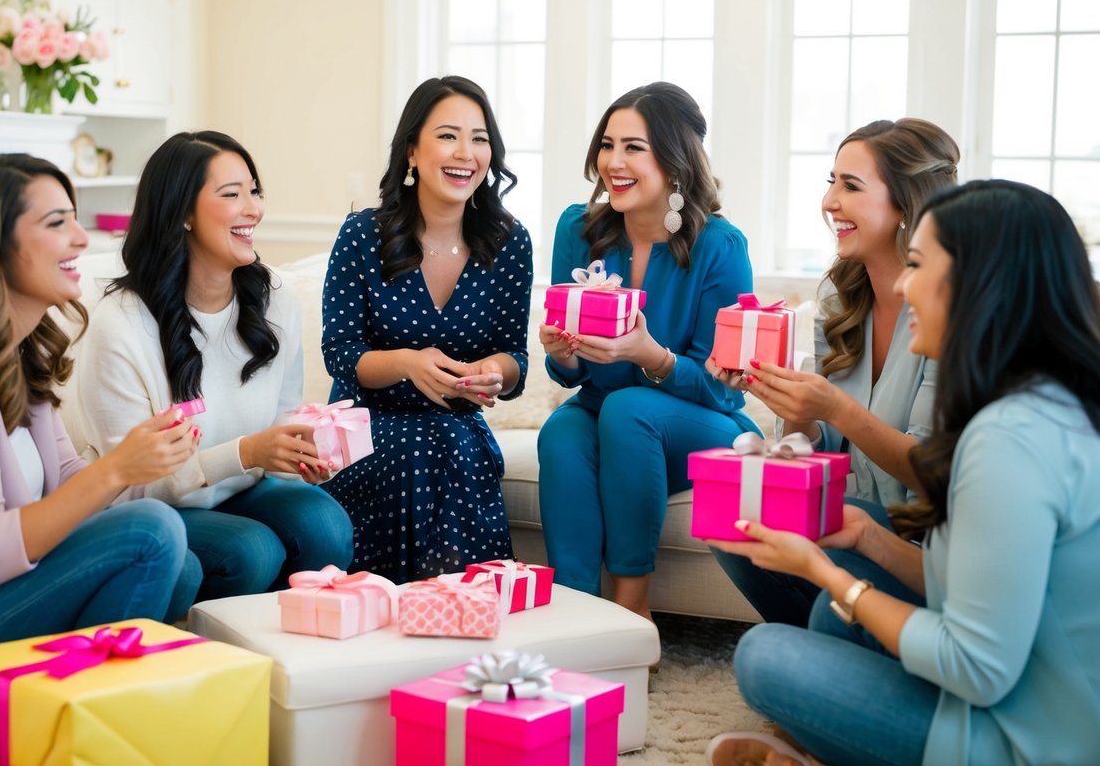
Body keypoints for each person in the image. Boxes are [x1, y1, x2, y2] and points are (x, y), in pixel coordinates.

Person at [707, 180, 1100, 766]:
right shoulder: (1027, 404)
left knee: (767, 655)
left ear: (983, 285)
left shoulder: (1011, 441)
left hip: (1032, 742)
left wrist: (824, 571)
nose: (901, 284)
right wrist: (864, 537)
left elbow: (975, 668)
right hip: (1022, 688)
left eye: (917, 265)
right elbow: (967, 591)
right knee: (832, 618)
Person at [0, 154, 199, 751]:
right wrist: (114, 471)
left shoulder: (15, 352)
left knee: (180, 556)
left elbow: (71, 489)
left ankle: (70, 740)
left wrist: (151, 458)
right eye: (58, 222)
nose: (83, 238)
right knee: (153, 536)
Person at [74, 131, 353, 602]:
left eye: (254, 191)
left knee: (326, 526)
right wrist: (246, 453)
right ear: (182, 213)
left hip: (241, 489)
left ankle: (294, 656)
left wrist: (301, 456)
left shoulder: (276, 301)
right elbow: (136, 480)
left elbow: (282, 418)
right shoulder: (121, 325)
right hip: (148, 507)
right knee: (251, 552)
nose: (254, 209)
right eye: (231, 195)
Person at [707, 118, 959, 626]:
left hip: (912, 540)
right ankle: (822, 637)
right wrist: (785, 401)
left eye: (850, 186)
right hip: (842, 517)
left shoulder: (949, 310)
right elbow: (813, 446)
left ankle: (834, 635)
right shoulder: (839, 298)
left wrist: (835, 408)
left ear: (906, 204)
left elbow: (933, 472)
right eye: (831, 182)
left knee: (825, 593)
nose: (829, 203)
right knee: (733, 520)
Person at [537, 81, 760, 620]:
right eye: (607, 145)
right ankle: (574, 609)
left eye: (633, 147)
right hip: (604, 410)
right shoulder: (578, 229)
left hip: (702, 424)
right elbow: (570, 377)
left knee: (629, 407)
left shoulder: (719, 247)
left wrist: (648, 354)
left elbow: (725, 389)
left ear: (675, 159)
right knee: (562, 430)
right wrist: (562, 352)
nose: (613, 161)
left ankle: (632, 604)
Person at [320, 75, 532, 584]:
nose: (466, 152)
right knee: (424, 450)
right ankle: (412, 604)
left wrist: (492, 373)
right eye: (448, 135)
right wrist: (407, 364)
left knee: (448, 444)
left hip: (455, 425)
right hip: (365, 423)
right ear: (412, 151)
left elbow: (514, 359)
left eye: (479, 138)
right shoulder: (362, 235)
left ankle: (453, 612)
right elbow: (341, 354)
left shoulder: (509, 242)